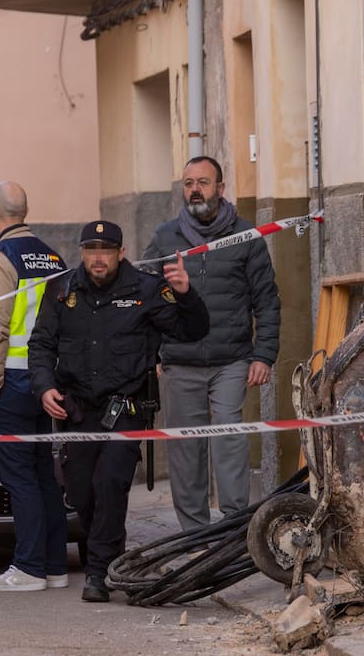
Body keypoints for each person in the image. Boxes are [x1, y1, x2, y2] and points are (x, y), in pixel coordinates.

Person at [29, 220, 209, 603]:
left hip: (124, 409)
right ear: (82, 253)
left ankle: (99, 571)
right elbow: (41, 345)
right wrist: (44, 386)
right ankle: (112, 554)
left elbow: (193, 331)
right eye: (91, 250)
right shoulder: (61, 290)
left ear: (121, 253)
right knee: (80, 492)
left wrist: (185, 293)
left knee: (109, 484)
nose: (98, 258)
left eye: (106, 250)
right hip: (77, 410)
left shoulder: (146, 290)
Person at [142, 155, 281, 529]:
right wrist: (151, 352)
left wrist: (264, 355)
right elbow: (145, 297)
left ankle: (233, 527)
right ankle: (193, 534)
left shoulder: (246, 235)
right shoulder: (164, 237)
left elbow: (266, 299)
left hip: (231, 359)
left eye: (203, 182)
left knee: (228, 437)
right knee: (185, 448)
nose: (195, 190)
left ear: (220, 188)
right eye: (188, 183)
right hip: (179, 360)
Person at [0, 182, 70, 593]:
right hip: (43, 381)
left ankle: (28, 568)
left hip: (9, 381)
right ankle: (53, 566)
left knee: (19, 478)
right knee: (44, 475)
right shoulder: (53, 257)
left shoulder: (1, 259)